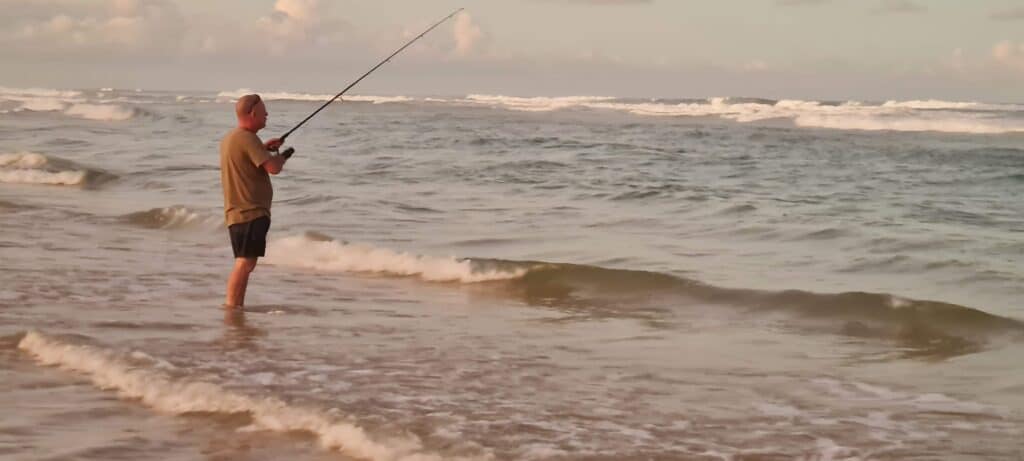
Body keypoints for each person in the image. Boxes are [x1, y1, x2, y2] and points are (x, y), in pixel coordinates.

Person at [220, 94, 288, 308]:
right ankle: (232, 307)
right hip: (249, 211)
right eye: (263, 111)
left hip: (238, 212)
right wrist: (282, 157)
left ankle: (235, 306)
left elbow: (250, 158)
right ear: (252, 113)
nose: (267, 114)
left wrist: (265, 148)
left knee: (245, 262)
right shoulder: (248, 139)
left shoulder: (234, 137)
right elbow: (273, 168)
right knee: (245, 263)